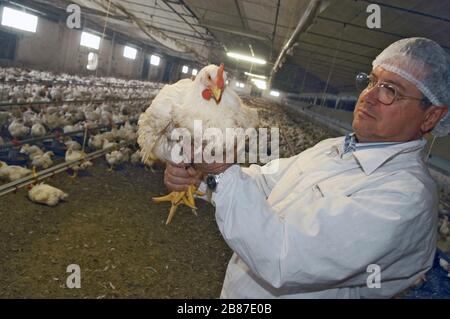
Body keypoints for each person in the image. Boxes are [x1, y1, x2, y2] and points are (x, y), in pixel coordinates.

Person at [163, 37, 449, 298]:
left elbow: (284, 258)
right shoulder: (335, 148)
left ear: (431, 116)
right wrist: (199, 179)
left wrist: (221, 171)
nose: (369, 96)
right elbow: (264, 183)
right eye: (372, 81)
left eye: (391, 91)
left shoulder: (405, 197)